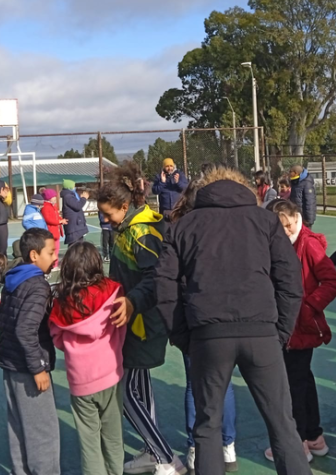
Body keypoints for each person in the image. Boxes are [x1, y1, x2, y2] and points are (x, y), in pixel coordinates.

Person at [156, 166, 306, 475]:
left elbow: (165, 286)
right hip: (262, 332)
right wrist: (279, 332)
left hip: (208, 335)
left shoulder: (184, 226)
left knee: (208, 425)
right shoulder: (265, 221)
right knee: (282, 424)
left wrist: (183, 336)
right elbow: (291, 280)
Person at [97, 162, 184, 475]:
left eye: (108, 214)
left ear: (124, 205)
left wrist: (131, 302)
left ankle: (165, 457)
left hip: (143, 323)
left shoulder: (142, 232)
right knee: (141, 389)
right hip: (132, 321)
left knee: (125, 394)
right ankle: (153, 450)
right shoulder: (127, 228)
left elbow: (154, 278)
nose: (105, 220)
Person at [169, 180, 238, 473]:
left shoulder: (181, 229)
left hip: (195, 318)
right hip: (227, 315)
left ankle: (197, 446)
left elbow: (170, 280)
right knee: (225, 382)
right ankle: (228, 445)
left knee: (194, 384)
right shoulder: (229, 228)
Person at [267, 200, 336, 463]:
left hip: (300, 324)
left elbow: (331, 281)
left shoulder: (307, 244)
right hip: (294, 324)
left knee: (293, 385)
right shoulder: (287, 242)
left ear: (296, 218)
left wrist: (307, 306)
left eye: (288, 225)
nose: (286, 231)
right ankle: (314, 436)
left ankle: (297, 443)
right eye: (281, 227)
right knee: (303, 380)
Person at [50, 241, 128, 475]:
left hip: (80, 380)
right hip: (111, 372)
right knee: (114, 437)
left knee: (89, 442)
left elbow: (56, 335)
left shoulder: (62, 301)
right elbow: (121, 327)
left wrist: (73, 347)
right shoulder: (113, 290)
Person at [0, 227, 60, 475]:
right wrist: (38, 368)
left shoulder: (13, 280)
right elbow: (25, 329)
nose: (54, 257)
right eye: (51, 252)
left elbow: (1, 322)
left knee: (18, 426)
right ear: (34, 255)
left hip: (9, 364)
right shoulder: (37, 286)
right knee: (43, 430)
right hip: (28, 367)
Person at [61, 180, 90, 246]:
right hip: (74, 227)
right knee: (75, 246)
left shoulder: (71, 195)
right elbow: (77, 206)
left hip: (76, 226)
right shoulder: (68, 196)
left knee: (79, 246)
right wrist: (84, 198)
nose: (75, 188)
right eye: (73, 186)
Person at [288, 165, 316, 229]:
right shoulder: (295, 182)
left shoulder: (307, 184)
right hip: (296, 215)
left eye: (290, 172)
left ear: (296, 173)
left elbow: (310, 202)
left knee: (304, 237)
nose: (289, 173)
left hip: (304, 218)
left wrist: (309, 220)